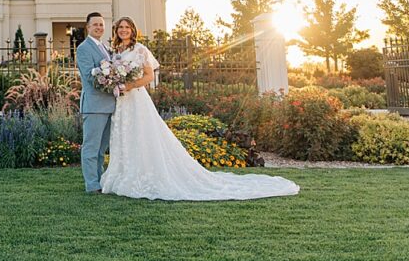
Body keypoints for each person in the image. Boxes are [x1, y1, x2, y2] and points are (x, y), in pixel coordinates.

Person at [99, 16, 299, 201]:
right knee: (126, 135)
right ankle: (126, 173)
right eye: (120, 28)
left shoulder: (140, 49)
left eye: (127, 28)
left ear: (133, 31)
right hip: (122, 100)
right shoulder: (115, 52)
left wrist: (131, 85)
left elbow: (149, 76)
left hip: (136, 98)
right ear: (116, 31)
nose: (123, 30)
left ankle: (145, 175)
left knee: (142, 134)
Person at [75, 12, 115, 193]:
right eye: (95, 24)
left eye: (101, 24)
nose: (99, 27)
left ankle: (99, 181)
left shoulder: (105, 47)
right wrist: (113, 82)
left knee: (101, 149)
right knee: (91, 147)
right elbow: (89, 75)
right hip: (95, 105)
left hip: (110, 105)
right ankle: (91, 185)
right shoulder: (84, 48)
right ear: (88, 27)